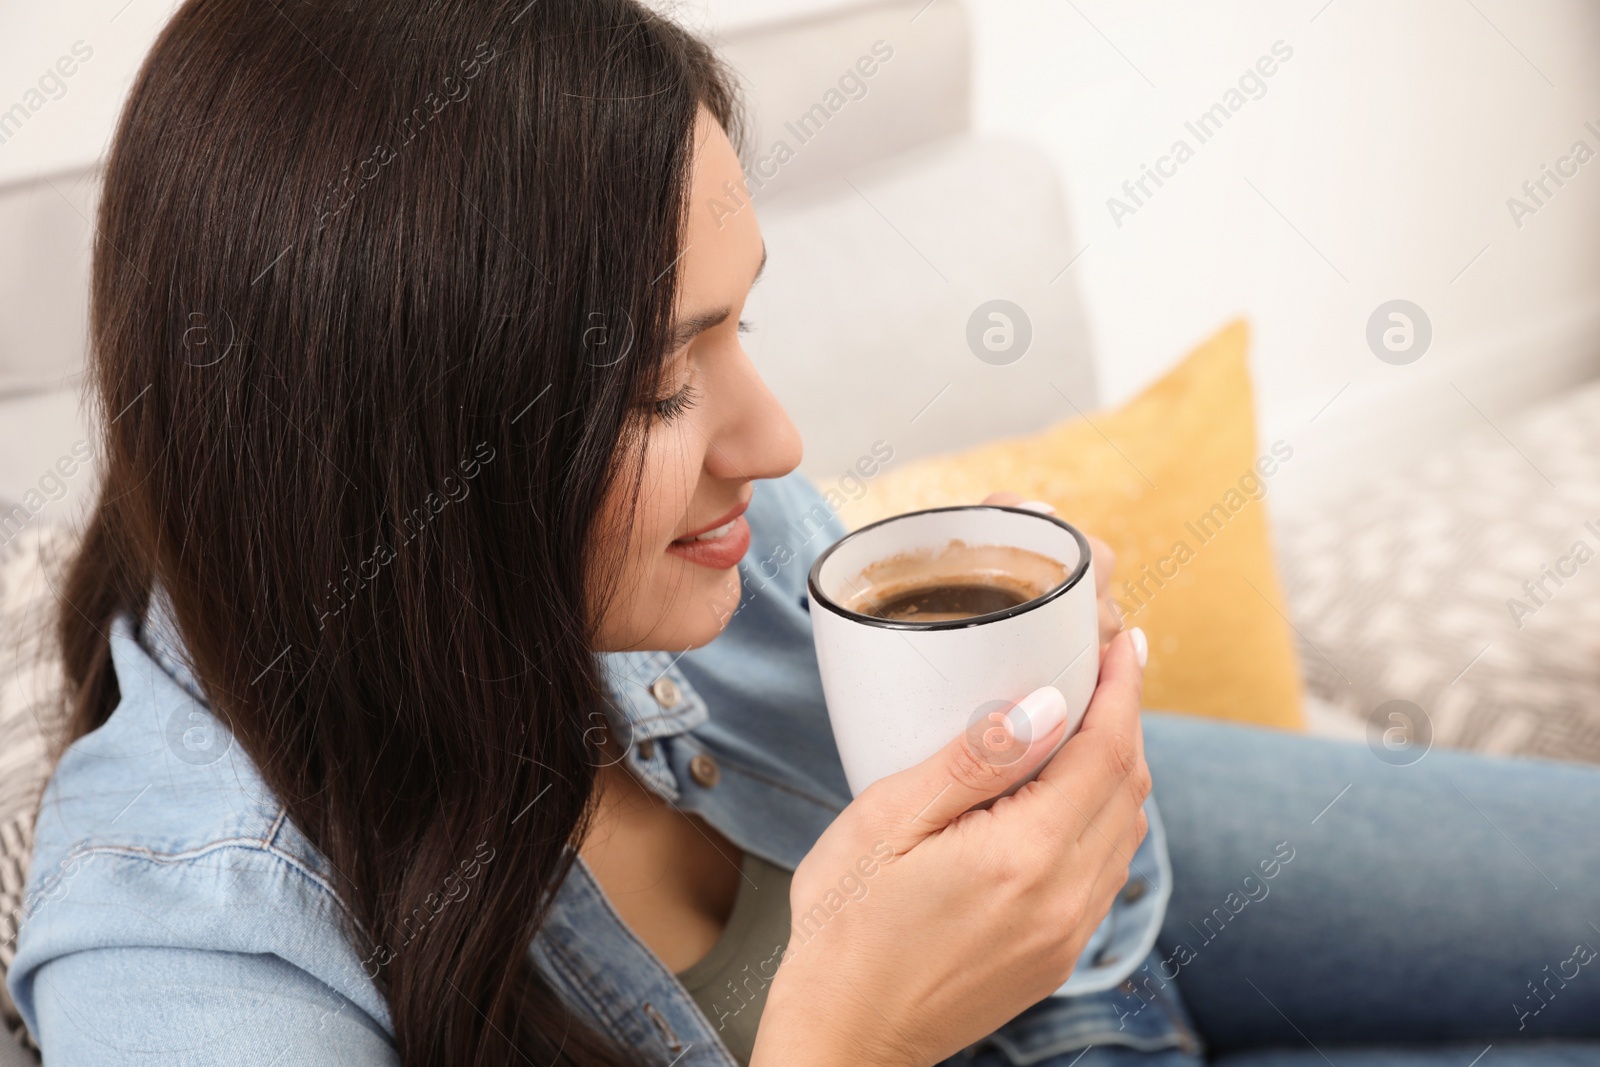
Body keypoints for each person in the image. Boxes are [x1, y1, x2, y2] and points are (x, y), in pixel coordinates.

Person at [9, 1, 1600, 1064]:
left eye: (736, 328)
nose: (773, 445)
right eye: (651, 391)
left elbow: (1099, 943)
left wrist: (1067, 849)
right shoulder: (191, 947)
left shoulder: (707, 561)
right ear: (395, 457)